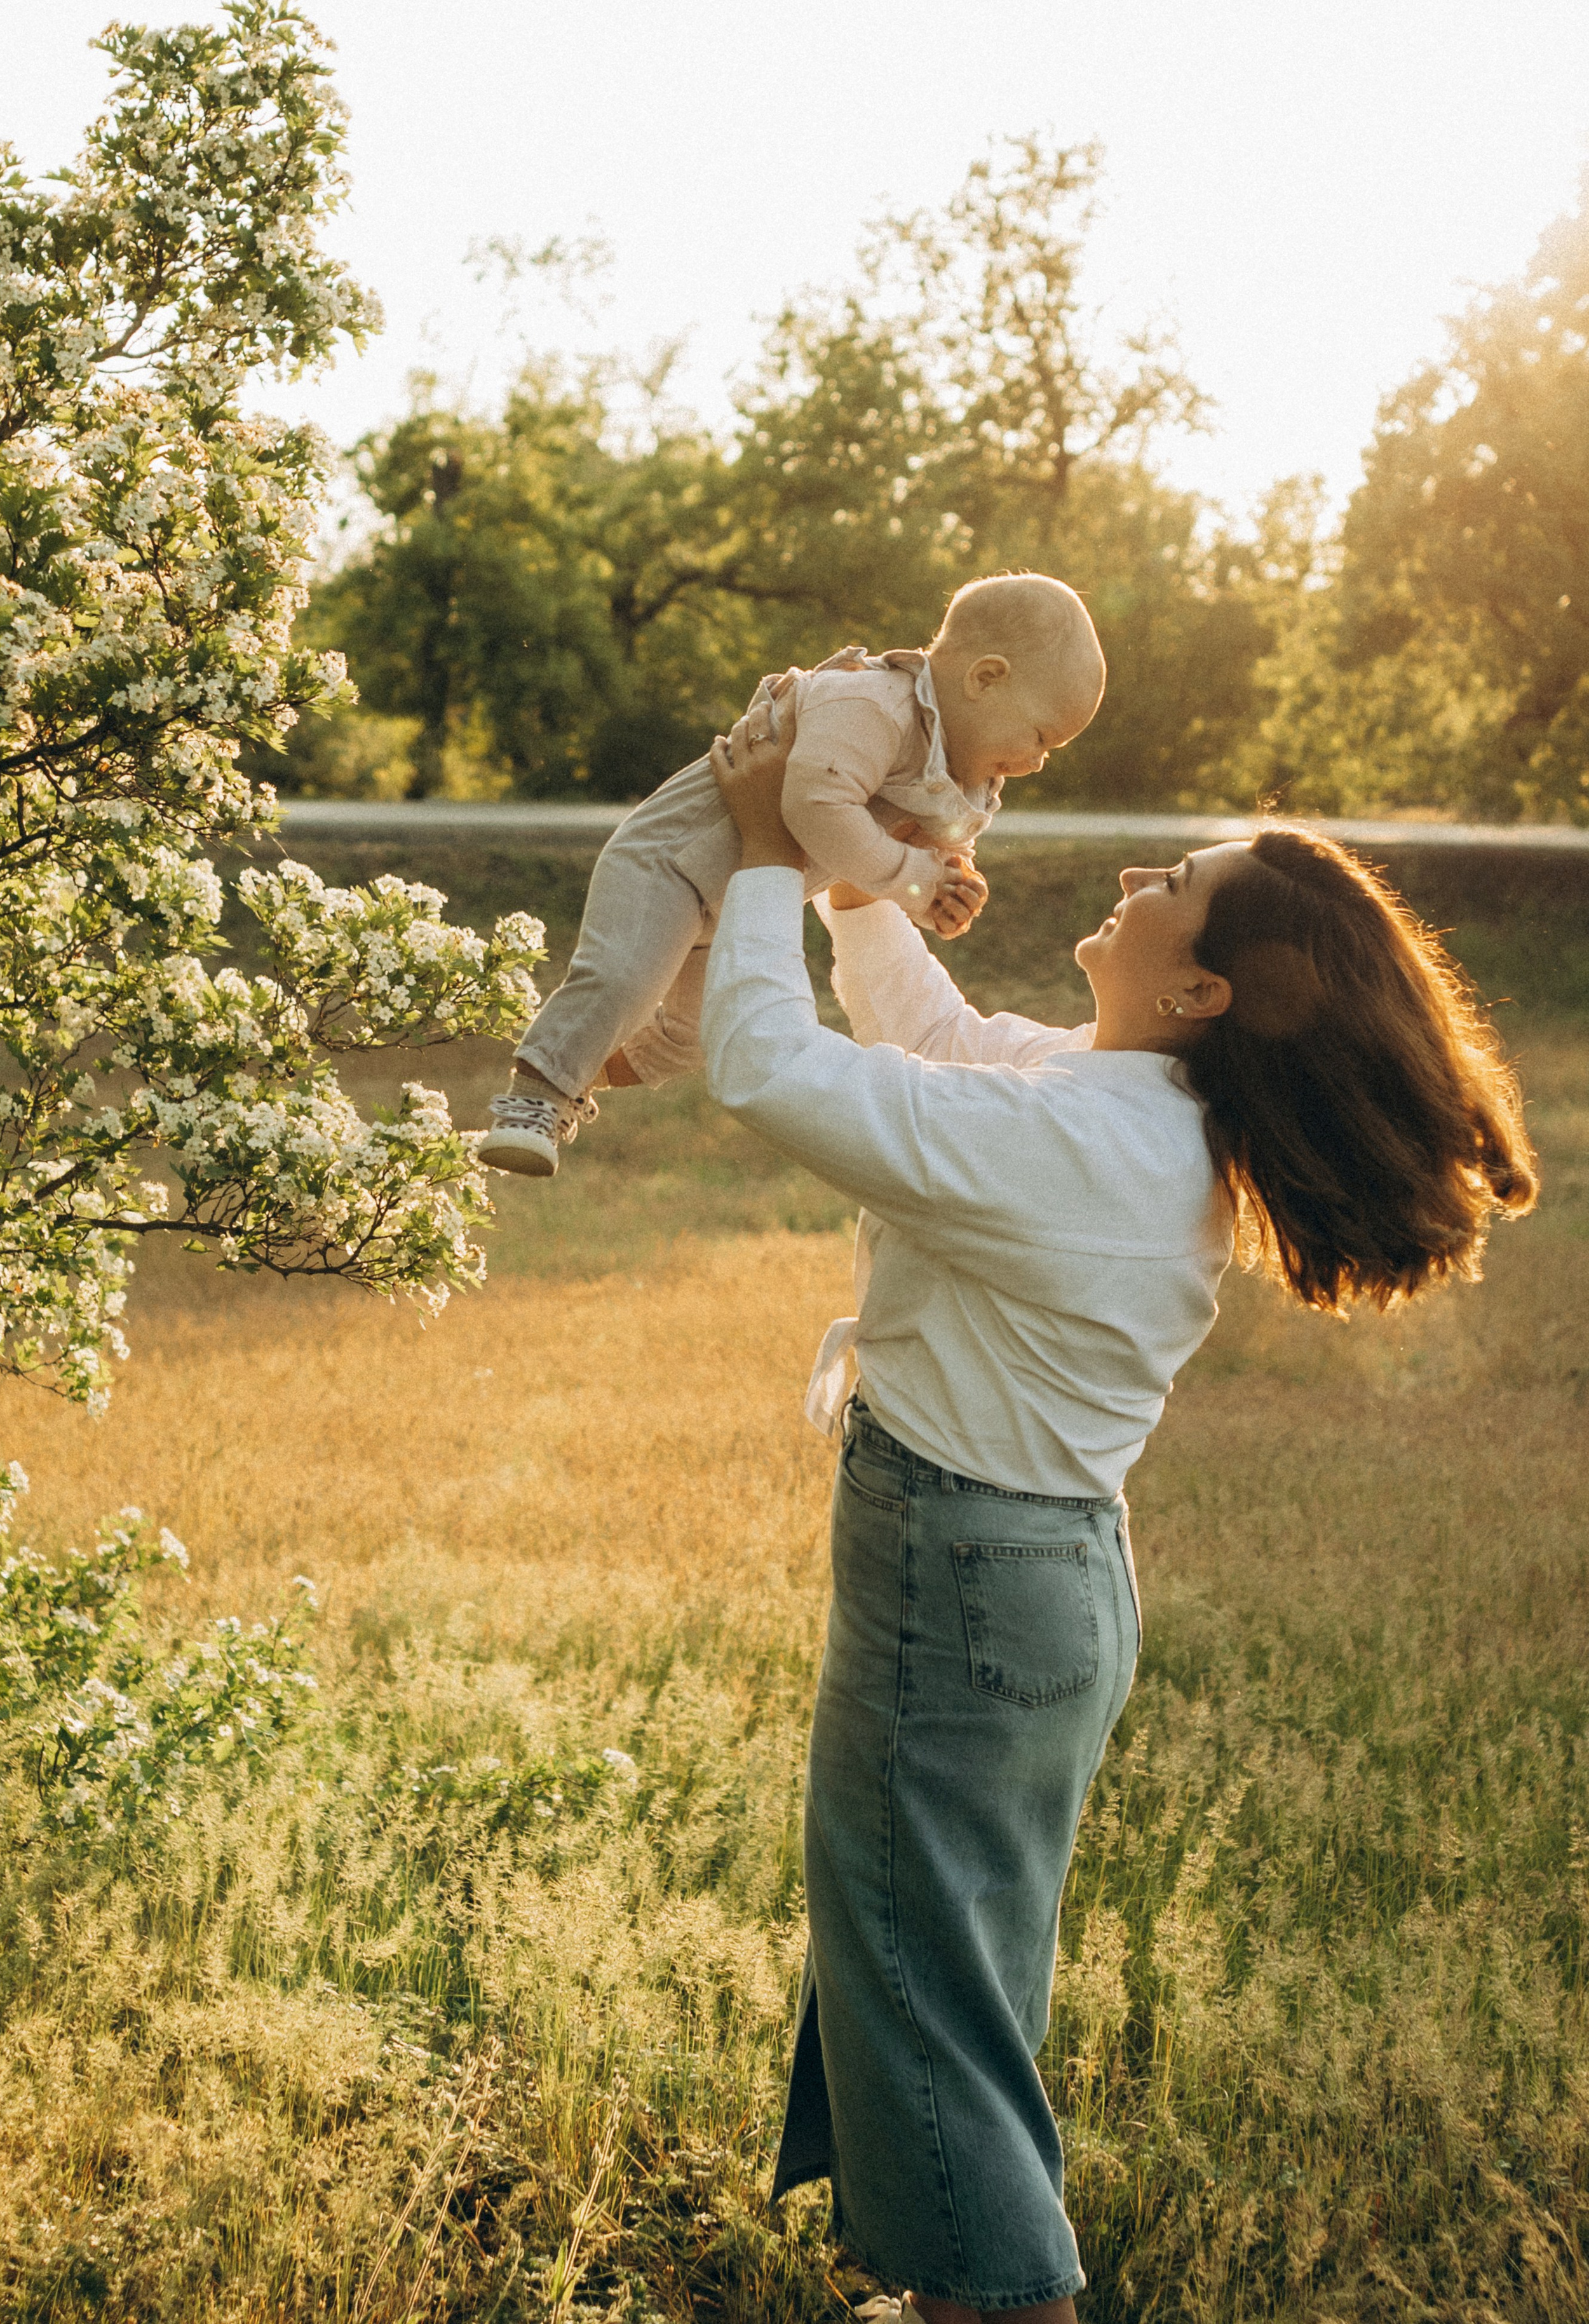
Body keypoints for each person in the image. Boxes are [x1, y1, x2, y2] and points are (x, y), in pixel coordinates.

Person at [697, 702, 1537, 2324]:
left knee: (922, 1978)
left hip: (969, 1577)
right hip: (1030, 1576)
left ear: (1198, 986)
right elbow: (929, 1040)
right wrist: (860, 882)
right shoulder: (1120, 1103)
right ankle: (949, 2271)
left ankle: (998, 2290)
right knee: (939, 1961)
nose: (1142, 870)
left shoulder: (1088, 1137)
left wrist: (751, 842)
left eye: (1180, 878)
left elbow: (765, 1064)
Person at [478, 573, 1105, 1176]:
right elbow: (815, 807)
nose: (1039, 762)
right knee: (626, 979)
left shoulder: (946, 765)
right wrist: (913, 874)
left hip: (731, 907)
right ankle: (535, 1095)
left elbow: (903, 858)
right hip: (673, 864)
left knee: (695, 1037)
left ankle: (575, 1072)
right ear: (986, 679)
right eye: (1043, 736)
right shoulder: (872, 704)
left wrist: (938, 890)